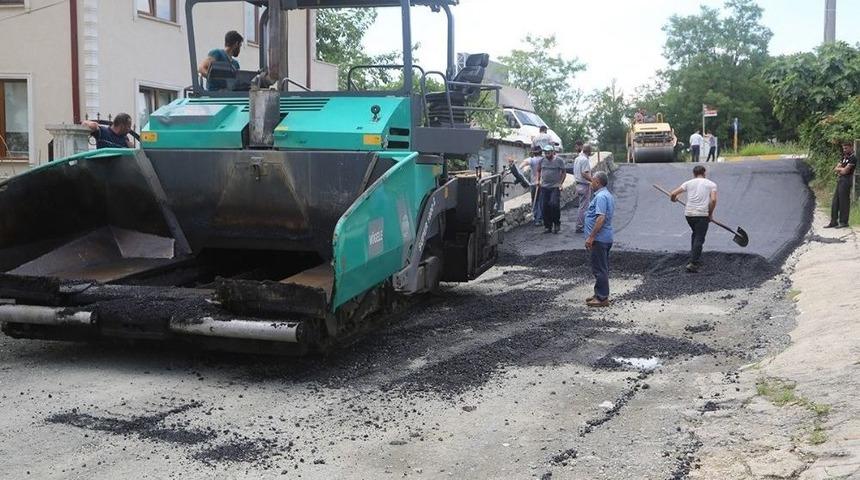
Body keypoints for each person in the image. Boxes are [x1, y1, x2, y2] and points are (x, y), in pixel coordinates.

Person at [669, 165, 718, 273]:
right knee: (699, 238)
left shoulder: (688, 183)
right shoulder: (711, 184)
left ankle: (693, 257)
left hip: (689, 214)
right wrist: (710, 214)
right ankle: (694, 263)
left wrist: (674, 199)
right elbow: (713, 200)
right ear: (704, 173)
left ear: (694, 174)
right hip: (701, 215)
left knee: (695, 234)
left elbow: (673, 194)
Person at [584, 171, 615, 307]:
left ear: (597, 182)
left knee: (599, 268)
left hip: (600, 239)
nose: (591, 183)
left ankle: (602, 298)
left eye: (593, 181)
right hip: (604, 238)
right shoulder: (606, 195)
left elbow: (600, 218)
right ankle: (599, 294)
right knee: (601, 267)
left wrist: (591, 237)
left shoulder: (601, 197)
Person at [825, 141, 857, 229]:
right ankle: (833, 221)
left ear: (851, 147)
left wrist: (840, 169)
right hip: (840, 179)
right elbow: (836, 168)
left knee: (844, 201)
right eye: (843, 148)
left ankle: (844, 222)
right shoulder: (844, 157)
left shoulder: (852, 158)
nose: (844, 150)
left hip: (847, 180)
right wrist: (840, 169)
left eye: (846, 148)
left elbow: (845, 171)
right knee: (835, 201)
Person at [536, 144, 566, 234]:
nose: (547, 154)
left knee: (553, 204)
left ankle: (556, 223)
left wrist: (560, 183)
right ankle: (547, 226)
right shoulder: (542, 160)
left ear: (553, 152)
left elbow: (564, 172)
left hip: (555, 187)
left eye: (548, 153)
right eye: (545, 153)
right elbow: (538, 170)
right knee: (544, 206)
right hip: (544, 187)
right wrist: (537, 180)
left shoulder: (559, 161)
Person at [515, 145, 545, 226]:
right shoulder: (544, 159)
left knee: (535, 201)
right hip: (542, 183)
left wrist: (519, 169)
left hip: (533, 184)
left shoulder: (532, 160)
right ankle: (539, 218)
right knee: (540, 201)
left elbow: (523, 164)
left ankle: (536, 217)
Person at [573, 143, 594, 233]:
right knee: (584, 207)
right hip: (584, 185)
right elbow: (584, 173)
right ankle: (580, 226)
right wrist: (593, 180)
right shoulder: (585, 160)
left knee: (582, 206)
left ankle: (581, 224)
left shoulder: (577, 159)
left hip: (578, 184)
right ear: (588, 151)